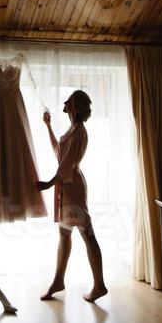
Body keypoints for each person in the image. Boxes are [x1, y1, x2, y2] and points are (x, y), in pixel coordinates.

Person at [36, 90, 108, 303]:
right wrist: (48, 126)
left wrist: (48, 184)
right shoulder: (73, 129)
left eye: (69, 100)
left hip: (72, 186)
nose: (64, 102)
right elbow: (59, 153)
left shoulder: (79, 132)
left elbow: (66, 165)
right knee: (65, 234)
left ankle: (99, 285)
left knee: (87, 233)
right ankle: (58, 281)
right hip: (66, 186)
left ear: (74, 107)